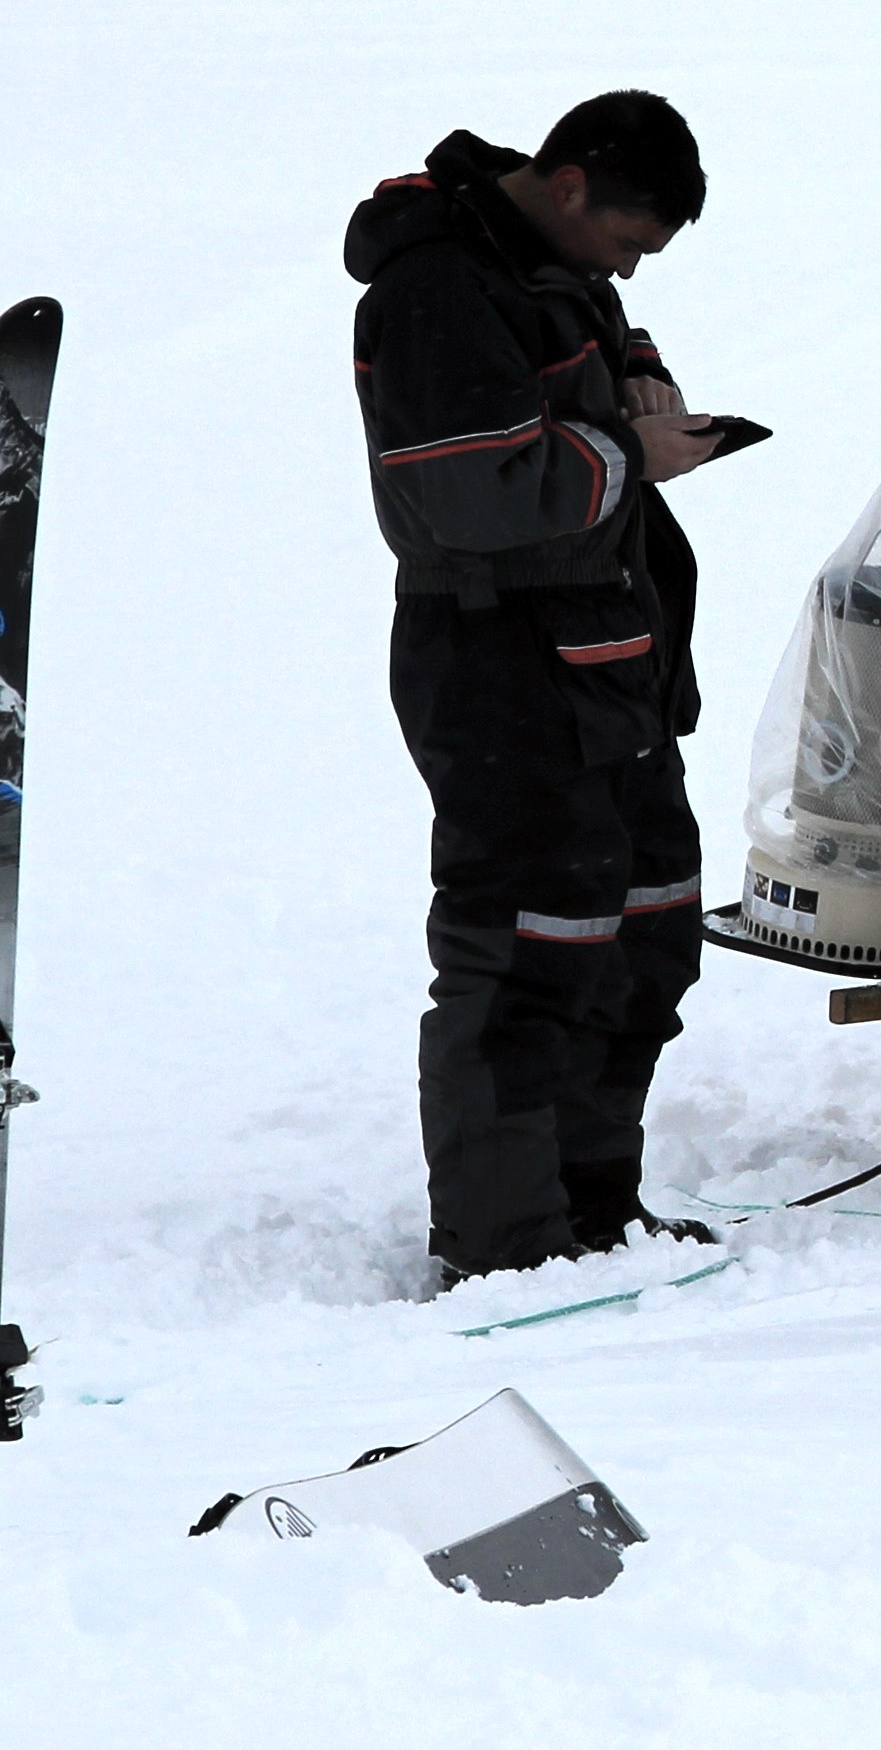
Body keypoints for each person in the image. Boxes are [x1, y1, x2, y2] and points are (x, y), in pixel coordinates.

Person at [344, 93, 742, 1281]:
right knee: (526, 954)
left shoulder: (547, 260)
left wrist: (641, 378)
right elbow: (467, 490)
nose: (631, 267)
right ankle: (503, 1244)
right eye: (629, 241)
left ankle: (591, 1208)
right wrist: (632, 455)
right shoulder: (433, 290)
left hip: (611, 654)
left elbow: (585, 344)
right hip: (499, 666)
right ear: (570, 186)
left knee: (645, 934)